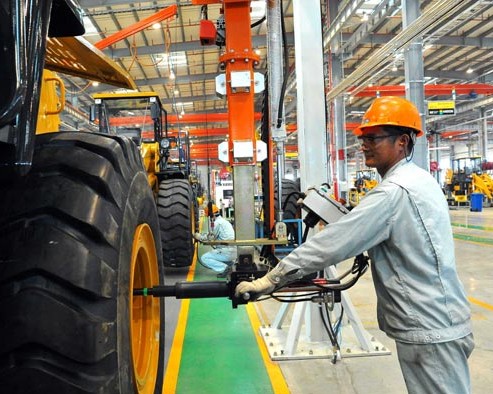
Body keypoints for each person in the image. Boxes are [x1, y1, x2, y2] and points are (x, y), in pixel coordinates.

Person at [236, 96, 474, 394]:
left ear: (402, 141)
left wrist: (271, 279)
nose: (364, 144)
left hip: (430, 328)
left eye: (373, 137)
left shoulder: (393, 194)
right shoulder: (421, 181)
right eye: (363, 137)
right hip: (441, 319)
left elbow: (332, 243)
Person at [195, 204, 237, 278]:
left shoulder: (217, 223)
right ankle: (231, 265)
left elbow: (210, 238)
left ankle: (225, 268)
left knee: (204, 258)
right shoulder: (224, 221)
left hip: (226, 251)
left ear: (212, 215)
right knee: (217, 253)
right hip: (233, 251)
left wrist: (199, 237)